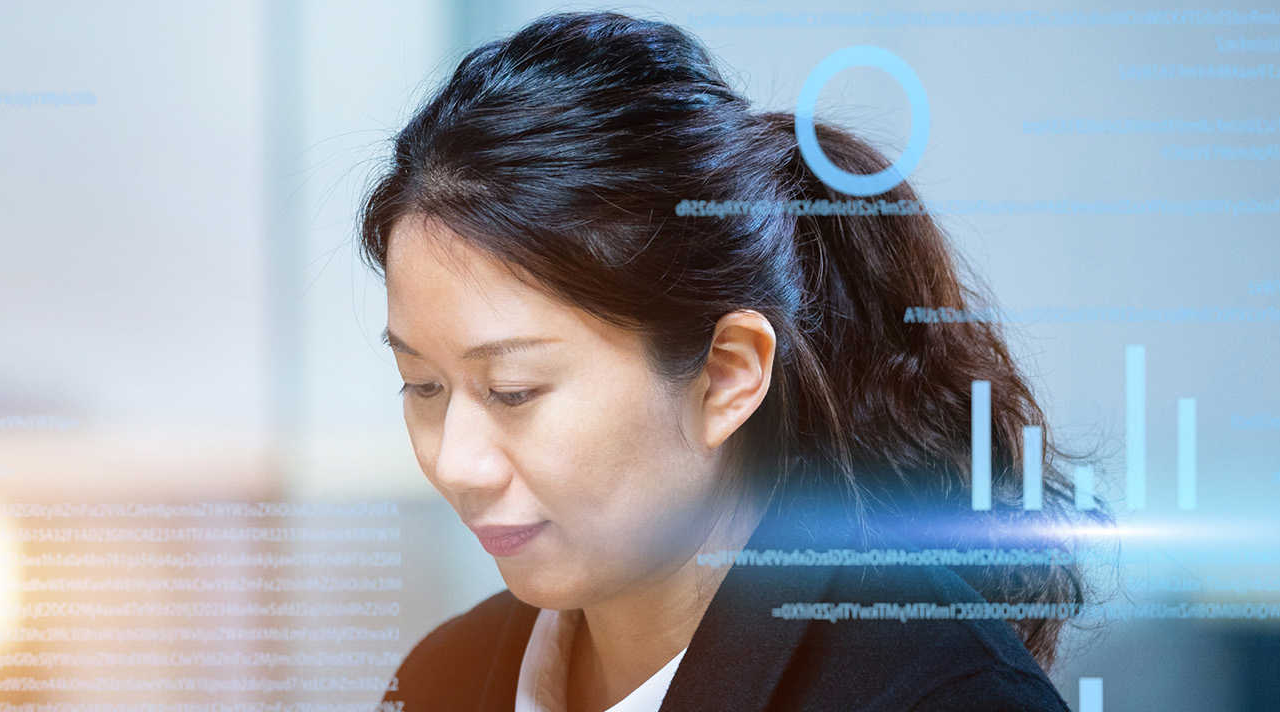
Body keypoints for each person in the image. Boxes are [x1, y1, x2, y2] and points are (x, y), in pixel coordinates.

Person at [362, 11, 1103, 712]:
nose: (456, 465)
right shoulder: (441, 679)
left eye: (513, 391)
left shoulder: (940, 694)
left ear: (727, 374)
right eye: (422, 386)